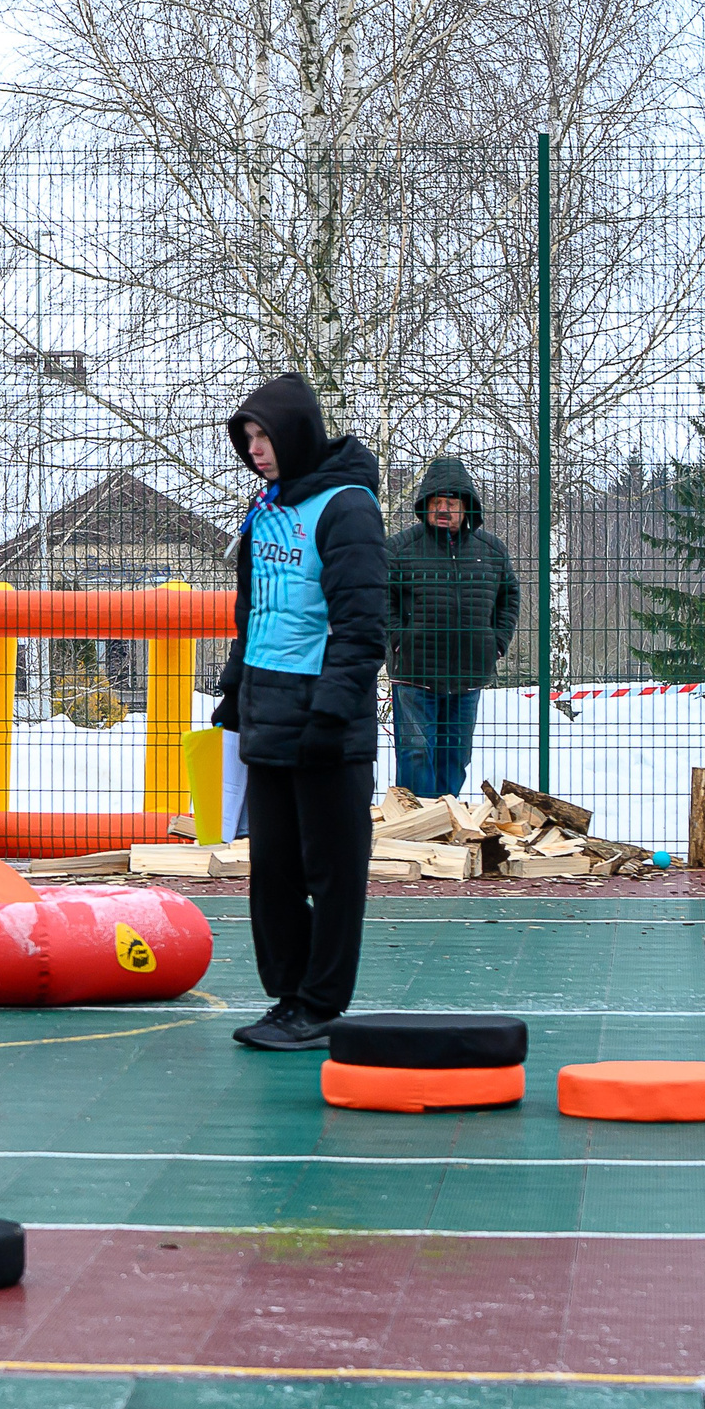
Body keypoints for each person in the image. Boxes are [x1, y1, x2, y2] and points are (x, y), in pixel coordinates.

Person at [210, 373, 387, 1051]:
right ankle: (287, 996)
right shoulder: (266, 508)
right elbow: (255, 610)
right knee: (274, 870)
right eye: (248, 438)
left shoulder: (347, 507)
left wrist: (331, 714)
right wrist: (235, 690)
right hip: (268, 715)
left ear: (298, 433)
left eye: (265, 436)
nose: (256, 449)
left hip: (326, 728)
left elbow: (362, 624)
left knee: (333, 871)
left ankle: (320, 1003)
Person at [386, 457, 517, 799]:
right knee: (416, 754)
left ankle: (447, 823)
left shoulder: (491, 550)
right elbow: (380, 598)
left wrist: (497, 642)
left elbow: (509, 596)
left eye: (452, 503)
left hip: (468, 672)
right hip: (415, 672)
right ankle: (417, 828)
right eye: (437, 502)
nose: (443, 509)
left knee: (455, 758)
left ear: (466, 506)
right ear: (425, 505)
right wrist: (399, 638)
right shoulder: (400, 549)